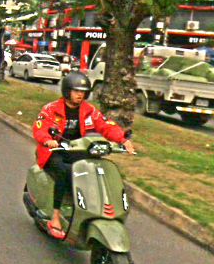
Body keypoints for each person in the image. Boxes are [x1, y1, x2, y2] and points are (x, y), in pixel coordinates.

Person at [32, 72, 137, 238]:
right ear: (67, 91)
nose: (80, 94)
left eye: (83, 91)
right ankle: (56, 216)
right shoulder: (51, 109)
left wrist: (123, 140)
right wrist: (47, 140)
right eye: (76, 91)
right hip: (54, 151)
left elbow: (106, 126)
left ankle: (91, 206)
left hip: (77, 149)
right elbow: (40, 127)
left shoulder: (89, 110)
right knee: (64, 171)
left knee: (94, 169)